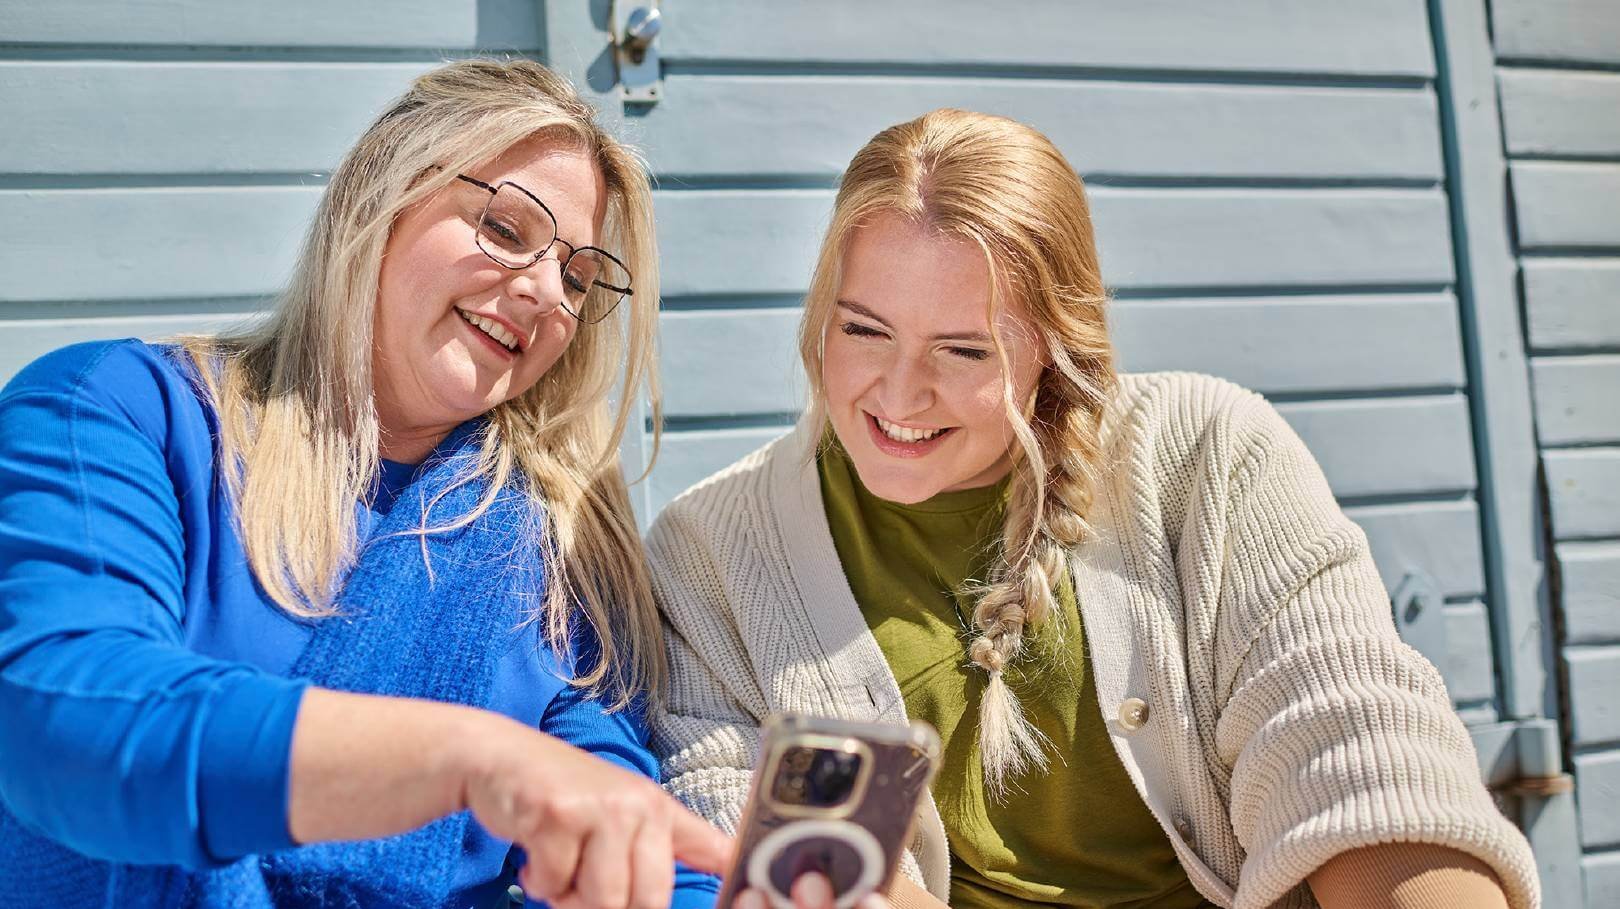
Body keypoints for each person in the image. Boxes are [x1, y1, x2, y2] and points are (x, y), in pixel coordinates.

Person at [644, 110, 1541, 909]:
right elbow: (780, 853)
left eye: (963, 349)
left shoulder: (1208, 457)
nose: (899, 394)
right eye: (863, 329)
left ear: (1056, 347)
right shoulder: (720, 551)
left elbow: (1351, 743)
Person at [0, 59, 739, 908]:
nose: (544, 290)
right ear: (379, 195)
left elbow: (625, 836)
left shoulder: (559, 551)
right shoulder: (117, 411)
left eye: (577, 278)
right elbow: (66, 724)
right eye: (505, 227)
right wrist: (467, 759)